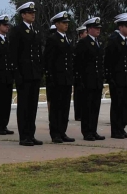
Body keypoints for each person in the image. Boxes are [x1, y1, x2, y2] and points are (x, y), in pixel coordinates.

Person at [9, 2, 43, 147]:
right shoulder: (17, 30)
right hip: (24, 73)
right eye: (29, 12)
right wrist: (17, 73)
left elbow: (37, 53)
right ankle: (24, 136)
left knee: (33, 106)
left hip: (34, 73)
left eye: (33, 12)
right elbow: (14, 53)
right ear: (23, 15)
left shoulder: (35, 29)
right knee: (24, 106)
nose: (33, 14)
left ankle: (31, 134)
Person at [44, 11, 75, 144]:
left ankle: (62, 131)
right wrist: (51, 78)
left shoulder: (67, 38)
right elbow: (49, 60)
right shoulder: (53, 39)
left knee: (65, 107)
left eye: (67, 23)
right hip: (57, 79)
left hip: (66, 79)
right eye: (63, 23)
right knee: (56, 107)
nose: (66, 25)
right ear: (57, 24)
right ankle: (55, 133)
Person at [74, 17, 105, 141]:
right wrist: (80, 80)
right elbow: (79, 63)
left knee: (95, 107)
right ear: (89, 29)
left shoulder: (98, 42)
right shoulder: (83, 42)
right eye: (96, 28)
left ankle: (93, 130)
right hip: (87, 80)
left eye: (99, 28)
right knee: (87, 107)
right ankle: (87, 132)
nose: (98, 30)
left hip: (97, 80)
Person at [105, 13, 127, 139]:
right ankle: (115, 130)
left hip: (126, 78)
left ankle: (122, 128)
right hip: (117, 78)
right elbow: (109, 60)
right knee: (117, 104)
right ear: (120, 27)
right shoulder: (114, 40)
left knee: (125, 104)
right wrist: (110, 77)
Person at [73, 25, 86, 123]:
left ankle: (82, 113)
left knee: (82, 95)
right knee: (78, 95)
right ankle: (78, 114)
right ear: (81, 34)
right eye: (86, 33)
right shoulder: (79, 45)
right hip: (78, 74)